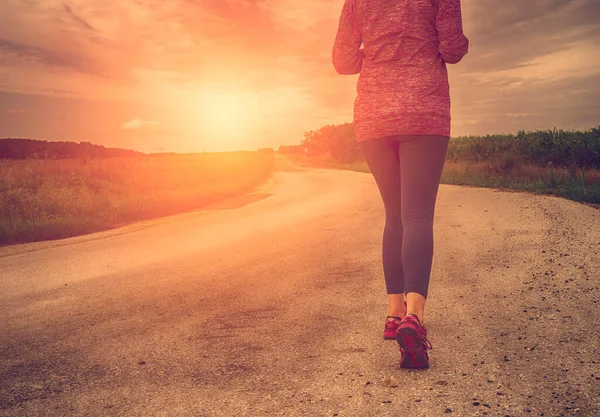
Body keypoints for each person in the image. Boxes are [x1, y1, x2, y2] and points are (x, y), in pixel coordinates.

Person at [332, 0, 469, 369]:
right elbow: (453, 49)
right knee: (418, 215)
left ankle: (394, 315)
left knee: (394, 215)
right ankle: (415, 317)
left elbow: (342, 61)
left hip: (375, 115)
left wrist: (379, 55)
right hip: (424, 109)